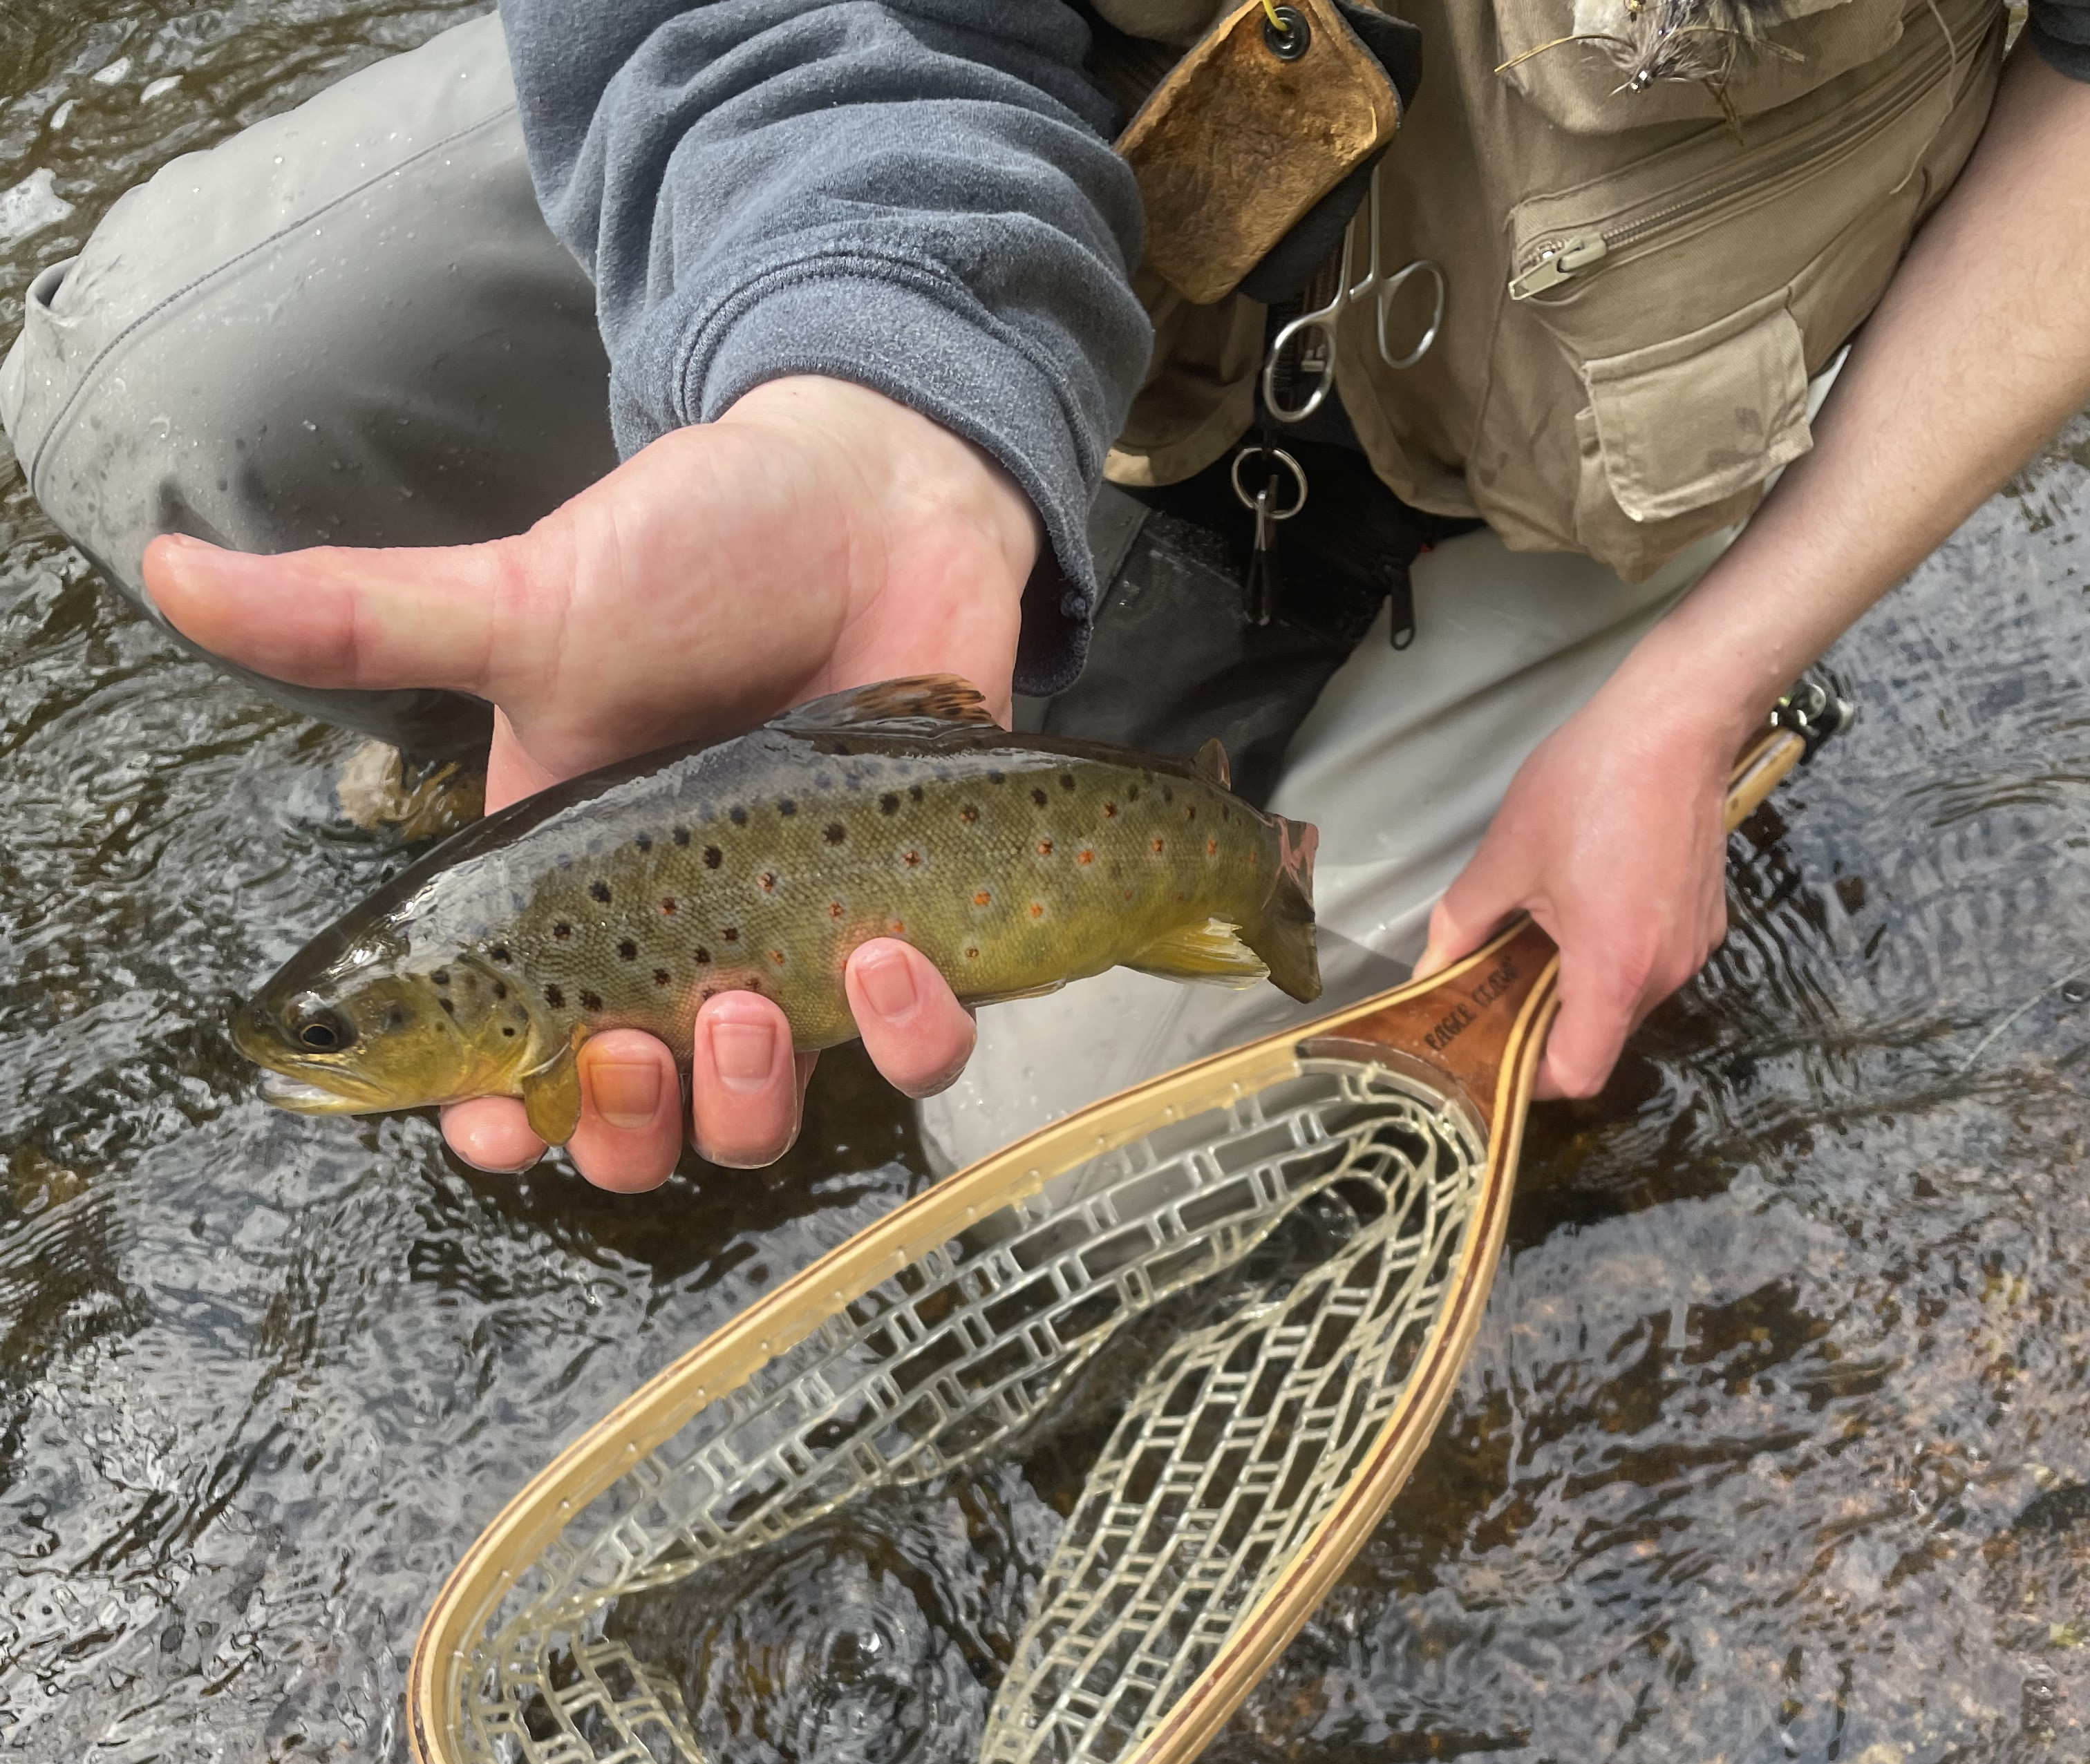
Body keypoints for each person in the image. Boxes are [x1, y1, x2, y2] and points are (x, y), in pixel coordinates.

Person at [6, 1, 2089, 1198]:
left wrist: (1716, 674)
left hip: (1546, 487)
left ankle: (1534, 706)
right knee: (170, 408)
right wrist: (872, 387)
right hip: (995, 231)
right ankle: (572, 721)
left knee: (1071, 1177)